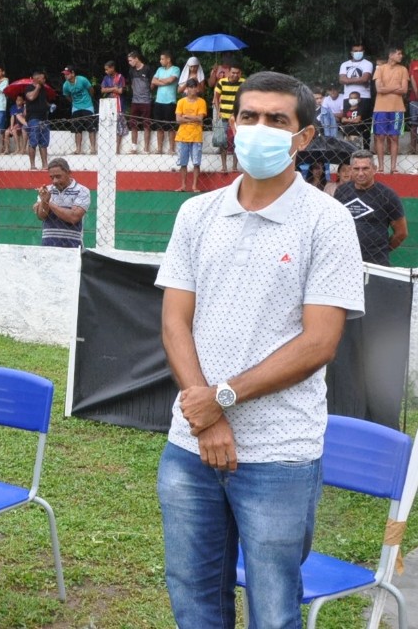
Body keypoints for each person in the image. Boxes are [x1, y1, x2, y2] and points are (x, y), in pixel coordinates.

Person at [156, 71, 365, 629]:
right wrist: (205, 417)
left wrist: (220, 399)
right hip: (189, 446)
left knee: (274, 611)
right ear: (232, 124)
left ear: (303, 137)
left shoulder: (328, 221)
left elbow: (320, 341)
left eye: (277, 120)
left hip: (279, 453)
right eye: (249, 117)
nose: (260, 129)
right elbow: (176, 321)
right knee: (193, 599)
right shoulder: (195, 214)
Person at [334, 149, 408, 266]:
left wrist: (381, 250)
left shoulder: (387, 195)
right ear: (351, 170)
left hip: (376, 263)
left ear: (374, 169)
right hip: (345, 261)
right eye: (356, 169)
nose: (360, 173)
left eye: (365, 168)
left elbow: (401, 233)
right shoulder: (341, 191)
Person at [33, 157, 90, 247]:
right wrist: (44, 202)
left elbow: (73, 217)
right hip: (48, 246)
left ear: (69, 173)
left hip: (72, 247)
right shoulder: (47, 190)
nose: (54, 181)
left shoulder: (81, 190)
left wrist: (47, 202)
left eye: (58, 176)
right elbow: (41, 216)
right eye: (52, 177)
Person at [373, 47, 409, 173]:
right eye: (399, 53)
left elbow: (404, 90)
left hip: (397, 108)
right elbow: (379, 89)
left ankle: (393, 168)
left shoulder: (403, 69)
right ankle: (381, 167)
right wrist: (395, 88)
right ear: (391, 55)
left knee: (394, 137)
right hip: (380, 108)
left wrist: (386, 88)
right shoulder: (380, 69)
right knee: (380, 137)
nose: (401, 56)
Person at [339, 43, 374, 148]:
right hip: (347, 98)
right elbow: (341, 79)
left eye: (360, 51)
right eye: (355, 51)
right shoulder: (344, 64)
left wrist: (348, 81)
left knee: (364, 123)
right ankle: (349, 149)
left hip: (364, 97)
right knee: (348, 124)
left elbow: (365, 78)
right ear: (351, 52)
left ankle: (366, 149)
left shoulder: (367, 64)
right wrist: (359, 80)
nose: (358, 53)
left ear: (363, 52)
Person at [174, 79, 207, 192]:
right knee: (183, 163)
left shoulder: (201, 102)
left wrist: (186, 116)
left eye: (195, 87)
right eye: (190, 87)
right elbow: (178, 119)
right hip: (182, 135)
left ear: (198, 88)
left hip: (196, 135)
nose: (193, 89)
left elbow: (200, 118)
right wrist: (194, 118)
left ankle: (194, 186)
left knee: (196, 162)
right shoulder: (181, 102)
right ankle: (183, 185)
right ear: (187, 88)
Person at [213, 65, 245, 172]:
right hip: (224, 117)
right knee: (223, 142)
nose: (235, 75)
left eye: (237, 73)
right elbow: (216, 98)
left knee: (237, 142)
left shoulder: (244, 83)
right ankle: (224, 166)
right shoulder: (221, 82)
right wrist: (218, 112)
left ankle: (235, 167)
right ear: (229, 73)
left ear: (240, 74)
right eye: (233, 72)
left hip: (238, 118)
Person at [62, 65, 97, 154]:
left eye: (67, 74)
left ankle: (93, 148)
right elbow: (66, 95)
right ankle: (78, 149)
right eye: (64, 74)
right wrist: (73, 102)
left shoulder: (82, 80)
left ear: (73, 73)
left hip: (87, 105)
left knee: (91, 127)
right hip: (76, 107)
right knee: (77, 128)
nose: (65, 76)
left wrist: (89, 99)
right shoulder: (65, 85)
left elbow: (91, 89)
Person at [151, 51, 181, 154]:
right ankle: (159, 149)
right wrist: (164, 81)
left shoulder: (176, 69)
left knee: (171, 127)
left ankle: (171, 149)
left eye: (162, 59)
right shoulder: (159, 69)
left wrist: (160, 81)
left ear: (168, 59)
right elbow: (153, 81)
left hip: (170, 102)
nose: (160, 61)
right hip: (159, 101)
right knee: (159, 126)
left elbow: (170, 81)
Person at [127, 50, 155, 153]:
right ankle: (134, 147)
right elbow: (131, 84)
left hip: (146, 101)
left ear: (136, 58)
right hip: (135, 101)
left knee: (146, 124)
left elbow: (152, 84)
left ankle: (146, 148)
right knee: (133, 124)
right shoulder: (131, 71)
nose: (129, 62)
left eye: (130, 60)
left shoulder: (148, 69)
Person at [25, 68, 51, 170]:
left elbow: (43, 102)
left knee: (44, 143)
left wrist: (50, 106)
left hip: (44, 118)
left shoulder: (44, 89)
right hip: (33, 118)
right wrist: (38, 88)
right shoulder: (29, 88)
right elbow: (31, 97)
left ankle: (45, 165)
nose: (44, 80)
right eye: (43, 78)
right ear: (37, 78)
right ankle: (32, 165)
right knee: (33, 141)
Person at [100, 61, 128, 153]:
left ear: (112, 68)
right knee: (108, 126)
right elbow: (102, 90)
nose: (106, 71)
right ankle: (108, 148)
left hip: (119, 105)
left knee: (119, 127)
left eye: (107, 69)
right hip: (109, 105)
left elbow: (120, 91)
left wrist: (110, 89)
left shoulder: (120, 77)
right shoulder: (106, 78)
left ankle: (117, 149)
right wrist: (113, 88)